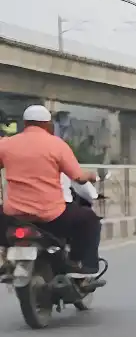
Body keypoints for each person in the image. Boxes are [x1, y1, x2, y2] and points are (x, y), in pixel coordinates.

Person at [0, 106, 101, 277]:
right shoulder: (57, 145)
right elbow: (78, 177)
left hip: (14, 216)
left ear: (25, 123)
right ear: (47, 124)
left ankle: (5, 259)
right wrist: (91, 175)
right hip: (51, 217)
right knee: (89, 219)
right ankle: (85, 265)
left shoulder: (6, 144)